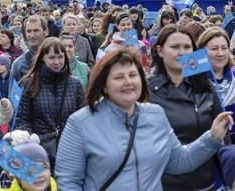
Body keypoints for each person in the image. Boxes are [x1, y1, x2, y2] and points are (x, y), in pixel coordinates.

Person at [55, 48, 233, 190]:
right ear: (104, 86)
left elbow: (178, 161)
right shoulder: (80, 123)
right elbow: (68, 182)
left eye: (133, 75)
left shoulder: (155, 114)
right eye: (119, 77)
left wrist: (212, 138)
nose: (128, 82)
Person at [148, 25, 224, 190]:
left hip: (207, 182)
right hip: (165, 184)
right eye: (175, 47)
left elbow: (222, 133)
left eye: (187, 47)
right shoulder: (145, 91)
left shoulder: (205, 86)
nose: (182, 52)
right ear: (160, 51)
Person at [15, 37, 85, 170]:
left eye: (60, 57)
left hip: (69, 151)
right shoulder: (30, 84)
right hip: (40, 153)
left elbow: (82, 119)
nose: (57, 62)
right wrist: (30, 139)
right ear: (43, 58)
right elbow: (22, 119)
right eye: (52, 57)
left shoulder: (75, 84)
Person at [198, 27, 235, 138]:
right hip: (203, 146)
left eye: (224, 48)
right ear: (202, 51)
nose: (220, 53)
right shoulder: (193, 81)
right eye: (214, 48)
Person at [10, 15, 48, 84]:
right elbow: (14, 94)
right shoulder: (19, 64)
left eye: (36, 31)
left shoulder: (57, 58)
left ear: (46, 31)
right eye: (29, 31)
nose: (32, 35)